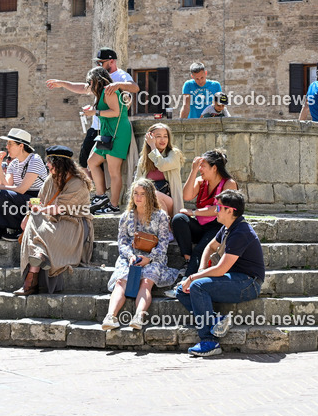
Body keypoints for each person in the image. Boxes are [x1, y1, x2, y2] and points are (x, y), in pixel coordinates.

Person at [175, 190, 265, 357]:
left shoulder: (241, 232)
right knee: (181, 290)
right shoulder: (227, 228)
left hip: (248, 283)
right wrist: (201, 269)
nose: (215, 210)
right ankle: (216, 320)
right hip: (232, 279)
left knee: (197, 286)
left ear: (230, 211)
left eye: (218, 207)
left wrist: (194, 277)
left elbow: (221, 268)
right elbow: (210, 247)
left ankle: (209, 341)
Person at [13, 146, 94, 296]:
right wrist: (30, 212)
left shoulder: (78, 183)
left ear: (61, 164)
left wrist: (37, 211)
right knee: (33, 220)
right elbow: (40, 200)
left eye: (50, 162)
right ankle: (38, 259)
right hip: (50, 220)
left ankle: (31, 280)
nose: (48, 166)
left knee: (36, 220)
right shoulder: (51, 179)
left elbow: (59, 209)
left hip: (73, 224)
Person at [46, 47, 138, 173]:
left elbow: (134, 87)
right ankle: (94, 190)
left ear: (112, 61)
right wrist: (63, 83)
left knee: (109, 168)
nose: (98, 65)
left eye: (101, 62)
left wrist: (118, 85)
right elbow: (84, 88)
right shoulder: (98, 76)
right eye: (97, 63)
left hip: (111, 128)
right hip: (97, 126)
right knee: (84, 161)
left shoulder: (121, 75)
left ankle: (102, 191)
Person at [103, 179, 180, 330]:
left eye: (142, 194)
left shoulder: (161, 216)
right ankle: (110, 316)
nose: (138, 197)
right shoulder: (126, 216)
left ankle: (139, 316)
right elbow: (122, 241)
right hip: (130, 256)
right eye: (135, 193)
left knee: (146, 282)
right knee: (121, 281)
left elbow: (164, 243)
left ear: (150, 195)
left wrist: (149, 258)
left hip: (154, 257)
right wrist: (130, 256)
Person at [169, 149, 237, 278]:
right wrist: (193, 171)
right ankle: (188, 259)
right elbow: (187, 196)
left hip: (218, 227)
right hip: (201, 226)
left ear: (214, 168)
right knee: (179, 219)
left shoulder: (229, 184)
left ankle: (185, 281)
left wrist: (194, 212)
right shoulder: (201, 181)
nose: (200, 169)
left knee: (200, 250)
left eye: (203, 166)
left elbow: (219, 208)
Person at [84, 67, 132, 214]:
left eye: (90, 82)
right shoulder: (102, 93)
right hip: (107, 133)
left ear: (95, 80)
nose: (89, 86)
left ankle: (113, 205)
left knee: (114, 172)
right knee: (92, 161)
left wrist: (95, 112)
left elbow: (116, 112)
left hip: (117, 134)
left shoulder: (108, 91)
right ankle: (101, 196)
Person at [0, 128, 47, 241]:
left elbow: (22, 189)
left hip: (37, 199)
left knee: (0, 193)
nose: (7, 147)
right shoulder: (14, 163)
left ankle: (19, 230)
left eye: (10, 143)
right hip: (20, 195)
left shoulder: (35, 159)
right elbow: (4, 184)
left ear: (21, 146)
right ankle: (0, 230)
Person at [135, 123, 185, 217]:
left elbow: (162, 165)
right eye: (158, 136)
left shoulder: (174, 153)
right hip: (148, 200)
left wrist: (153, 146)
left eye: (165, 136)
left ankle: (166, 228)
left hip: (169, 200)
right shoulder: (144, 158)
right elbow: (137, 182)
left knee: (155, 194)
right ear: (150, 138)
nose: (163, 140)